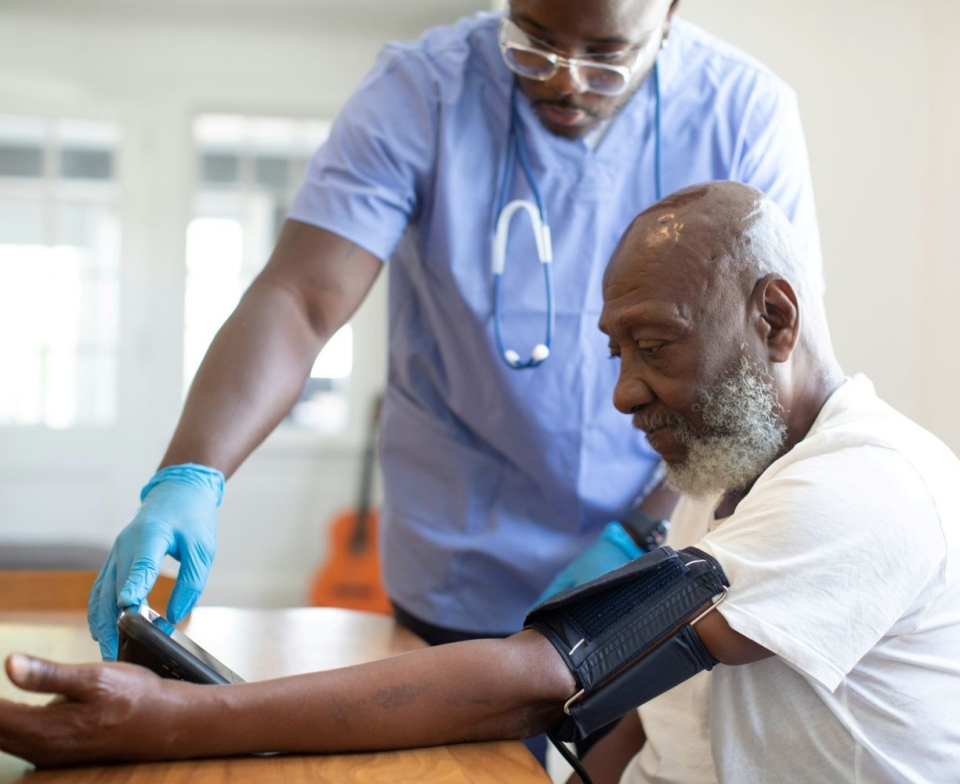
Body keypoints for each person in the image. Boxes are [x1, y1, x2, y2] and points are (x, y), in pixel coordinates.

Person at [3, 182, 958, 782]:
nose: (625, 392)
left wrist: (185, 722)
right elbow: (661, 713)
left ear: (776, 319)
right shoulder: (744, 476)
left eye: (654, 346)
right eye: (616, 351)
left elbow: (565, 667)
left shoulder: (870, 488)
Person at [88, 0, 823, 664]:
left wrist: (643, 528)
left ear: (668, 14)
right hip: (455, 555)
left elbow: (764, 364)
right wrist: (192, 474)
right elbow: (301, 299)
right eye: (531, 43)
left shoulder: (743, 112)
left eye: (604, 58)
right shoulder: (422, 90)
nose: (563, 82)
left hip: (647, 555)